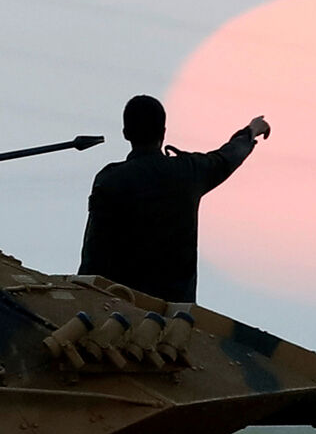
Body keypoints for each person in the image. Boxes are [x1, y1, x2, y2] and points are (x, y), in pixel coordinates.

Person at [78, 94, 269, 302]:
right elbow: (226, 158)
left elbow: (93, 251)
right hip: (173, 318)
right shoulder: (188, 172)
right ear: (164, 131)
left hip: (116, 307)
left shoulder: (109, 179)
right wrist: (251, 131)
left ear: (126, 133)